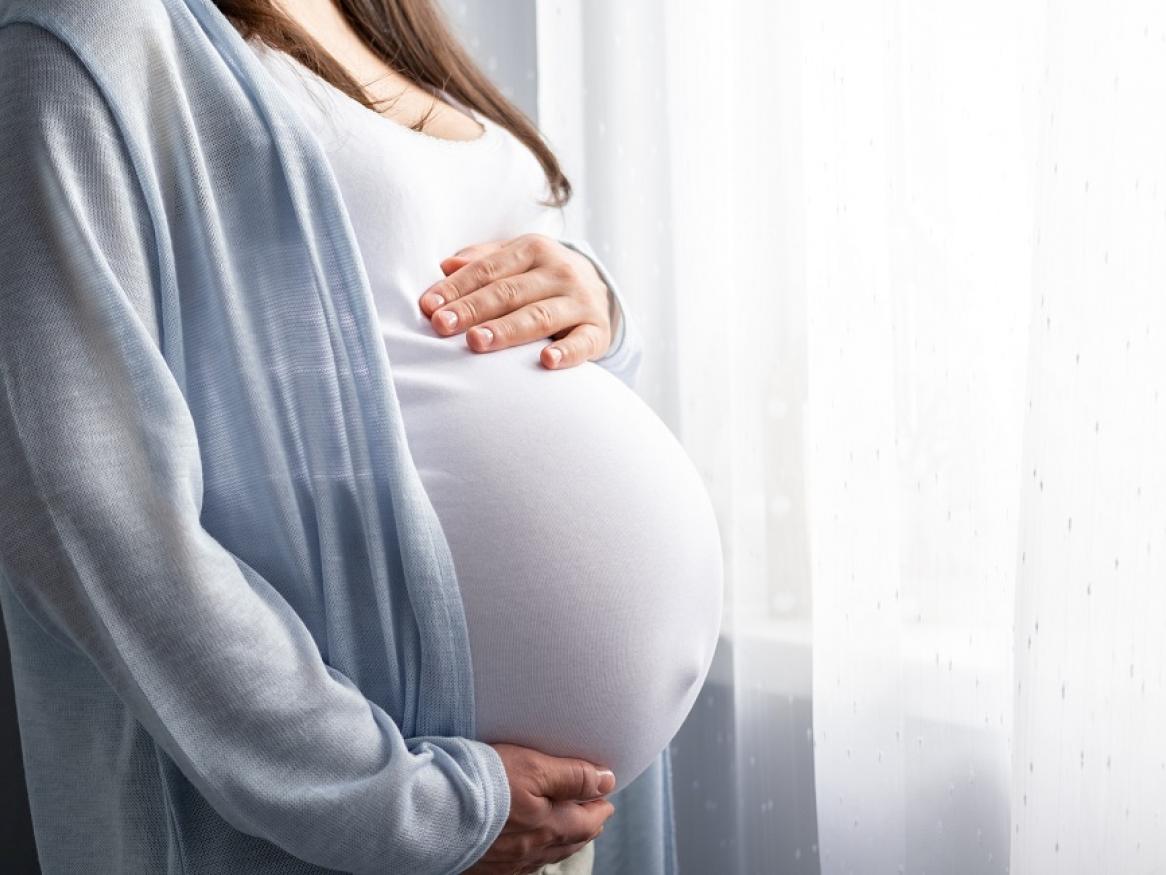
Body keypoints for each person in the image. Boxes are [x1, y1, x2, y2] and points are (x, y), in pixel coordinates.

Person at [0, 0, 720, 872]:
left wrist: (593, 302)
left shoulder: (387, 17)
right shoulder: (86, 35)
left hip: (532, 819)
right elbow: (82, 508)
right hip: (356, 818)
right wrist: (410, 810)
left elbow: (466, 322)